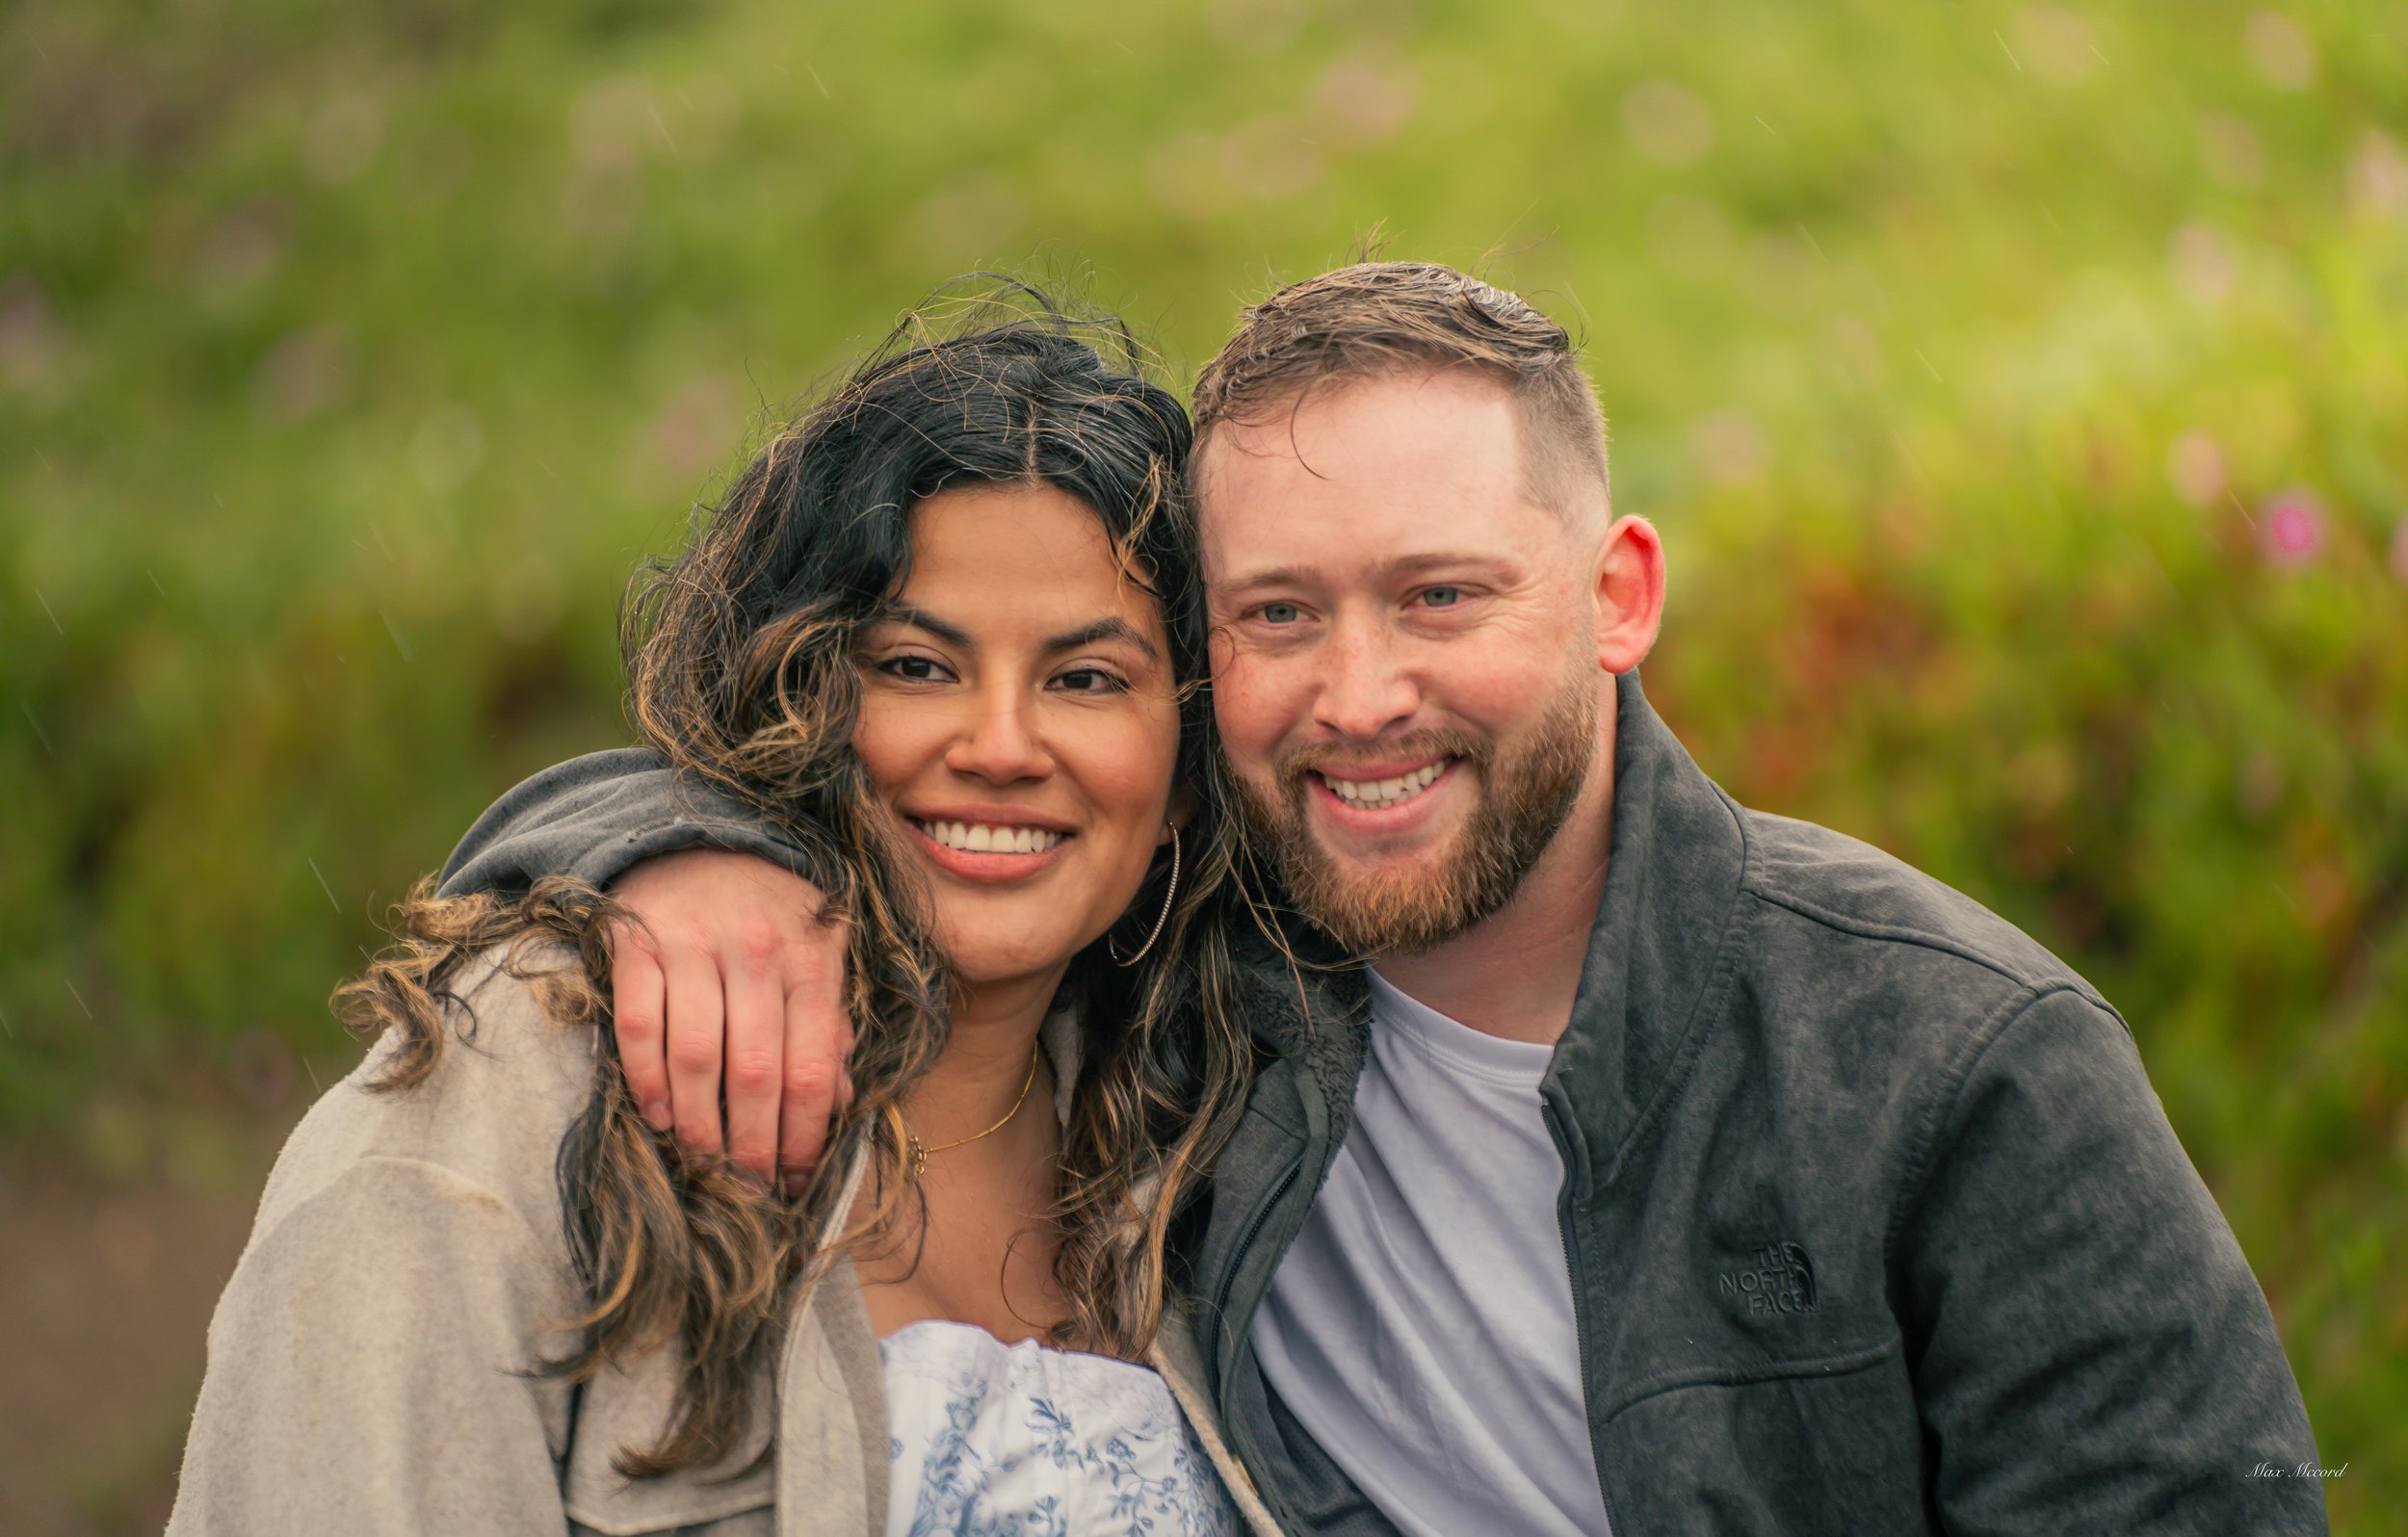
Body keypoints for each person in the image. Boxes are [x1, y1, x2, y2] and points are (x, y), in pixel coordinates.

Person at [436, 264, 2329, 1535]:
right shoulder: (1193, 972)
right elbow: (943, 768)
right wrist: (679, 848)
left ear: (1615, 593)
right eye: (1276, 613)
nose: (1353, 695)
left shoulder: (1947, 1061)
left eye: (1437, 595)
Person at [169, 306, 1289, 1537]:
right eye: (915, 665)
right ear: (795, 687)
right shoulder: (530, 1090)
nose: (1002, 746)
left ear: (1191, 761)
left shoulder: (1224, 1144)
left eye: (1086, 678)